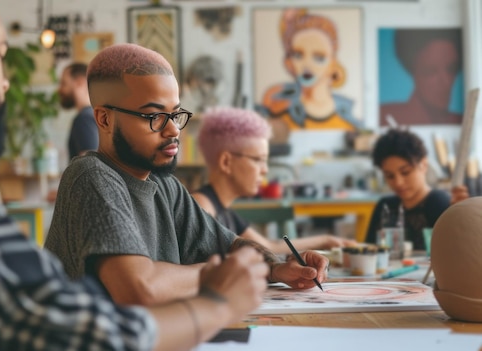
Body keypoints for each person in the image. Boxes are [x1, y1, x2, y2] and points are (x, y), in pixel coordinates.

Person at [0, 0, 272, 349]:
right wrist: (216, 304)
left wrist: (271, 264)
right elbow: (50, 327)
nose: (4, 84)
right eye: (0, 55)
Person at [44, 43, 329, 306]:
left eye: (176, 114)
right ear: (104, 119)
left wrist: (278, 266)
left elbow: (232, 246)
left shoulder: (165, 186)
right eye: (155, 117)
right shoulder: (91, 176)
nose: (174, 130)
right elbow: (139, 288)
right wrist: (227, 271)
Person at [191, 107, 356, 254]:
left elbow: (269, 246)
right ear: (226, 162)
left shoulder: (224, 210)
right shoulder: (202, 207)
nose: (265, 170)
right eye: (258, 160)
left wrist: (326, 241)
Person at [260, 8, 361, 131]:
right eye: (298, 55)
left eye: (319, 57)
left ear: (333, 63)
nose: (307, 65)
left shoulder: (348, 124)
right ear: (290, 62)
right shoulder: (282, 120)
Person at [365, 129, 450, 250]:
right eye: (389, 176)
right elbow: (368, 251)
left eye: (405, 172)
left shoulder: (441, 204)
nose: (398, 182)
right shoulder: (384, 207)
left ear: (424, 165)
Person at [380, 29, 462, 126]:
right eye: (431, 71)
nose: (445, 81)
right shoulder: (384, 116)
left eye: (450, 69)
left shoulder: (461, 120)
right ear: (413, 70)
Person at [58, 62, 98, 161]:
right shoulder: (93, 115)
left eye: (64, 83)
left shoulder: (84, 119)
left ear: (79, 82)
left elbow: (90, 167)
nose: (59, 90)